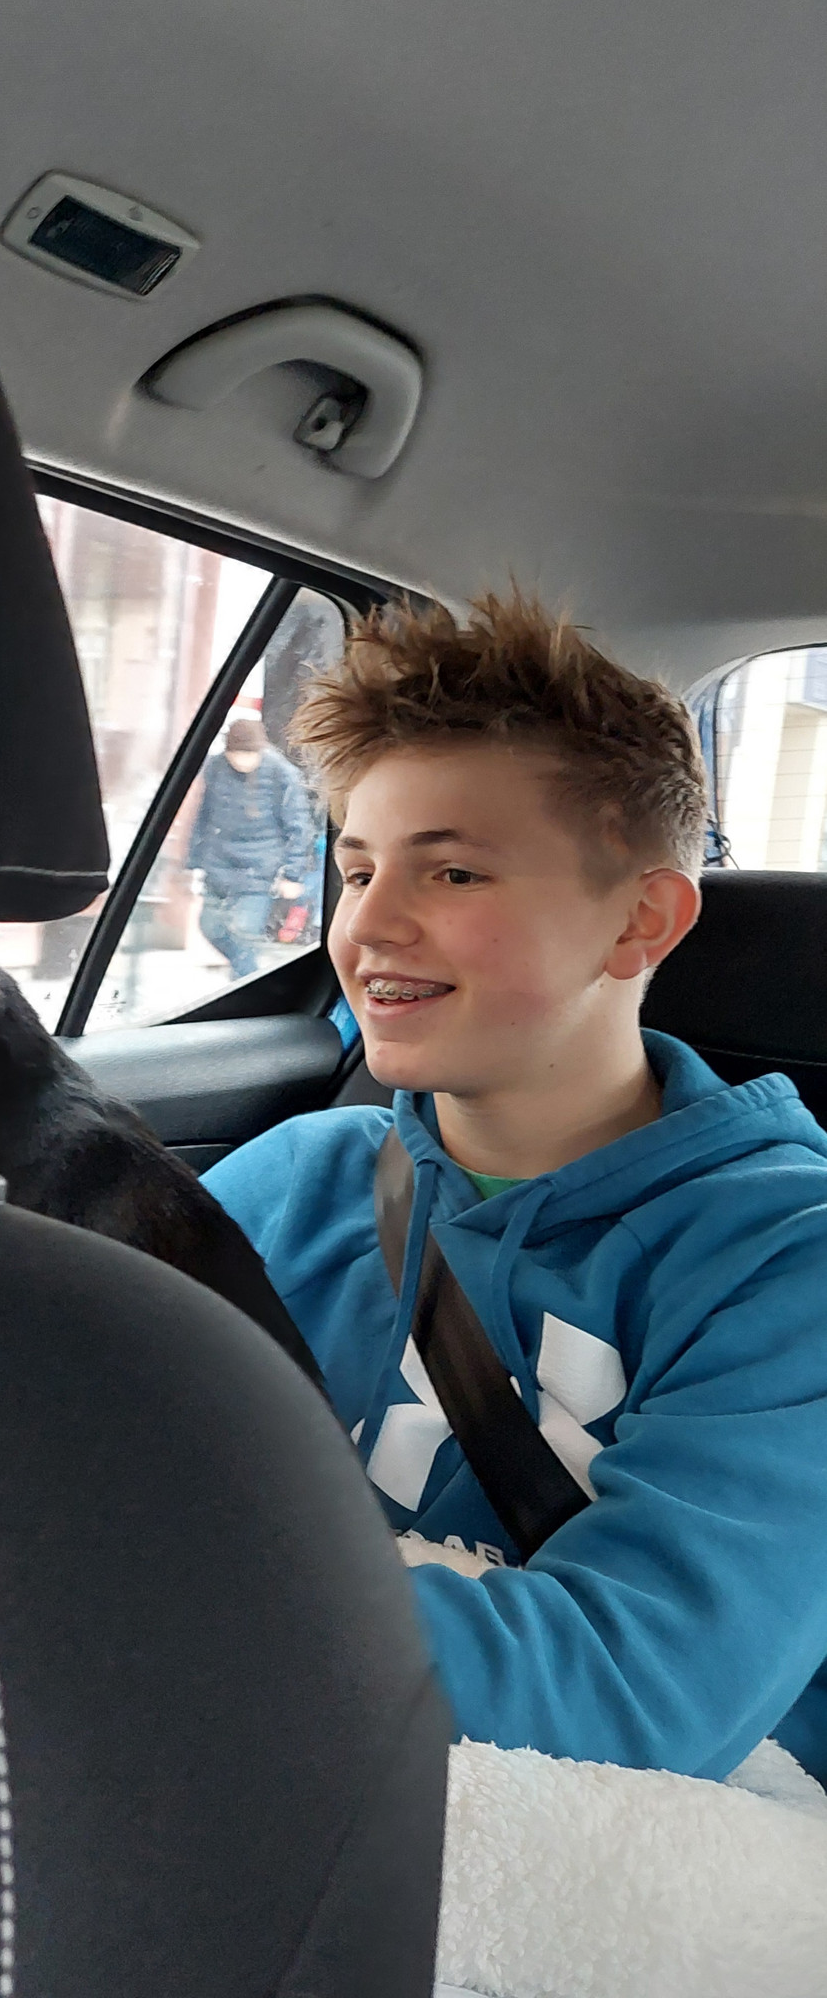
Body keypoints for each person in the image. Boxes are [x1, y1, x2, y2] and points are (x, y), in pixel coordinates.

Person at [203, 589, 827, 1786]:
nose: (370, 925)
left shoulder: (785, 1261)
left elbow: (633, 1689)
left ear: (638, 919)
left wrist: (152, 1597)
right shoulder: (295, 1179)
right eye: (356, 869)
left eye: (452, 873)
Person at [186, 715, 314, 979]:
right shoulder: (215, 767)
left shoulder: (281, 773)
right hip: (217, 865)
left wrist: (293, 874)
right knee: (211, 927)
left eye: (249, 755)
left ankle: (243, 982)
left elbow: (299, 826)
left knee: (244, 936)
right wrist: (194, 860)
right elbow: (204, 815)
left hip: (259, 871)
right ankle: (250, 977)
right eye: (236, 755)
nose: (242, 762)